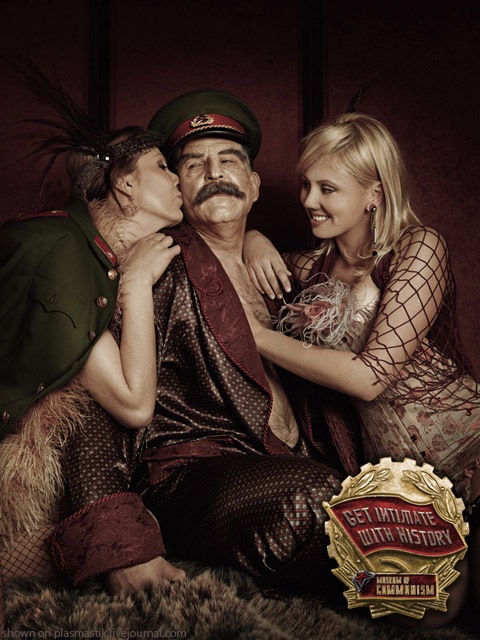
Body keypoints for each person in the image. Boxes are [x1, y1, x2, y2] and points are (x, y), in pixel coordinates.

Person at [50, 89, 363, 599]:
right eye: (194, 164)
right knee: (321, 501)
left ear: (254, 185)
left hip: (289, 459)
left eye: (230, 159)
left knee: (407, 504)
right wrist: (120, 547)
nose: (214, 172)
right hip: (193, 476)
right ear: (177, 186)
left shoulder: (286, 275)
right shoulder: (153, 267)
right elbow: (90, 402)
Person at [242, 111, 480, 609]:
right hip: (405, 483)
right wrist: (251, 237)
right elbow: (242, 258)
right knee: (420, 610)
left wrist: (259, 337)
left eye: (327, 188)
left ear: (374, 193)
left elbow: (370, 378)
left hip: (471, 447)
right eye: (306, 184)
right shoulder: (310, 267)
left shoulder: (420, 248)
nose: (308, 200)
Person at [0, 67, 187, 630]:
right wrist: (135, 284)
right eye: (163, 167)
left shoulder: (92, 250)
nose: (178, 177)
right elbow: (133, 403)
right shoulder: (64, 248)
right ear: (125, 186)